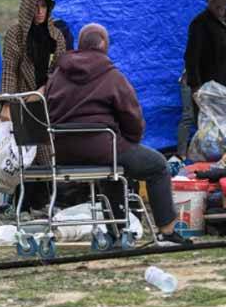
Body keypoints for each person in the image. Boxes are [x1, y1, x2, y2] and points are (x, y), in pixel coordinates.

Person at [45, 23, 189, 244]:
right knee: (158, 166)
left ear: (80, 45)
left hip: (62, 153)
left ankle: (118, 230)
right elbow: (132, 117)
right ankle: (167, 231)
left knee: (113, 169)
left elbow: (47, 112)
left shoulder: (57, 76)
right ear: (104, 45)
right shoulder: (111, 76)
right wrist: (130, 140)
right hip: (103, 150)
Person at [0, 0, 67, 212]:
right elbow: (9, 70)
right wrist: (7, 104)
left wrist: (45, 89)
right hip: (22, 100)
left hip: (48, 100)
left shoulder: (56, 36)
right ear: (27, 8)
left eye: (44, 7)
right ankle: (22, 205)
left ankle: (51, 201)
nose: (40, 12)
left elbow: (61, 70)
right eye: (36, 7)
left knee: (48, 154)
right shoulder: (15, 34)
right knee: (21, 155)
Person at [176, 44, 226, 159]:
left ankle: (203, 152)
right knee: (188, 116)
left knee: (207, 118)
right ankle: (181, 154)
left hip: (207, 87)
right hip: (190, 82)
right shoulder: (222, 62)